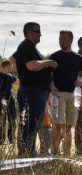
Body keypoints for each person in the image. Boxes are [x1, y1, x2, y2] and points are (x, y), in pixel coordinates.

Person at [14, 22, 56, 156]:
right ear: (28, 33)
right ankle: (27, 154)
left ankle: (26, 152)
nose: (40, 34)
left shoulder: (29, 47)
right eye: (37, 31)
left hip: (34, 90)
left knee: (30, 123)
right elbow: (31, 65)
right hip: (33, 91)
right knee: (32, 124)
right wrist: (48, 62)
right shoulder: (26, 45)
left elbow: (14, 60)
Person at [49, 30, 82, 157]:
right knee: (57, 125)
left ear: (71, 40)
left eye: (64, 39)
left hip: (73, 95)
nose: (61, 41)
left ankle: (67, 156)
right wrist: (51, 85)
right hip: (58, 94)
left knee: (68, 126)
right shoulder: (54, 56)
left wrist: (81, 79)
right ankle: (54, 153)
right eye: (60, 39)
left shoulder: (77, 57)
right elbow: (47, 75)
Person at [0, 59, 19, 145]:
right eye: (11, 66)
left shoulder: (10, 76)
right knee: (2, 120)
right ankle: (1, 139)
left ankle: (11, 139)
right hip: (1, 100)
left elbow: (19, 83)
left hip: (10, 100)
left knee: (12, 119)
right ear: (6, 66)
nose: (11, 68)